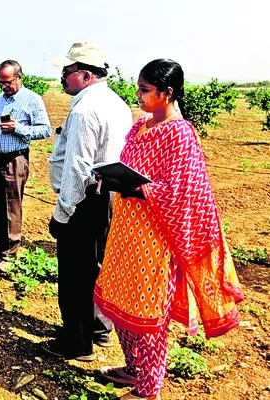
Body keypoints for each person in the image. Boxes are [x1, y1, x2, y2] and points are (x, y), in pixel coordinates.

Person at [93, 59, 243, 400]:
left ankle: (149, 389)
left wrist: (140, 189)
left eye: (144, 90)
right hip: (125, 230)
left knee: (148, 311)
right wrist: (114, 177)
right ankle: (133, 369)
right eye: (139, 88)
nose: (138, 96)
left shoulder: (180, 134)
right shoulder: (141, 125)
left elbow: (183, 191)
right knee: (120, 299)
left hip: (155, 236)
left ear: (167, 93)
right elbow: (130, 165)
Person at [43, 41, 132, 361]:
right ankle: (99, 328)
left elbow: (79, 167)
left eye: (66, 72)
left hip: (85, 199)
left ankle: (77, 343)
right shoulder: (117, 104)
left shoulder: (83, 109)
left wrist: (63, 211)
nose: (62, 78)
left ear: (84, 75)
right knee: (97, 264)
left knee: (75, 272)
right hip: (110, 196)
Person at [0, 60, 52, 271]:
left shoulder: (32, 100)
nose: (3, 86)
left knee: (11, 206)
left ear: (19, 77)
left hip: (15, 159)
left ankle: (10, 254)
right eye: (0, 82)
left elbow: (45, 130)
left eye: (7, 82)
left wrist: (18, 128)